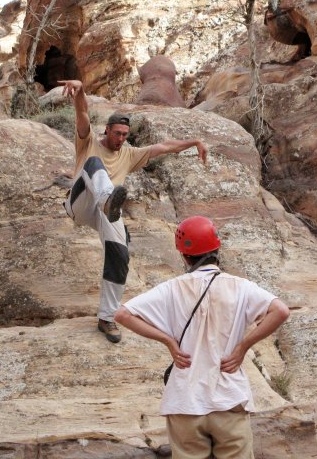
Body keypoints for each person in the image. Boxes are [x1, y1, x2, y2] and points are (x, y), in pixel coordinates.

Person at [114, 216, 290, 458]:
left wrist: (169, 341)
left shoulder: (171, 288)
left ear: (184, 256)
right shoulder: (241, 286)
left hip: (185, 401)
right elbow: (280, 311)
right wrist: (243, 347)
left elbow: (123, 315)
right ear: (217, 249)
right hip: (228, 399)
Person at [59, 79, 208, 343]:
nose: (120, 139)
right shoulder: (88, 141)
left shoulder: (129, 154)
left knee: (120, 253)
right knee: (94, 163)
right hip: (80, 202)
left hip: (107, 211)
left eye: (125, 135)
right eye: (116, 133)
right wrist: (80, 90)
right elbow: (81, 113)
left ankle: (107, 317)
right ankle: (107, 198)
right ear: (107, 130)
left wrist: (195, 140)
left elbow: (164, 147)